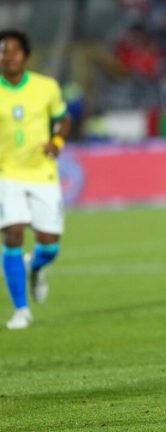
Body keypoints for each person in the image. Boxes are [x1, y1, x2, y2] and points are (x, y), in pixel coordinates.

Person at [0, 30, 71, 330]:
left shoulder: (46, 87)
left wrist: (56, 143)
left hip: (42, 172)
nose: (9, 56)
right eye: (4, 51)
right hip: (6, 173)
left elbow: (64, 119)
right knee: (12, 233)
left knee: (50, 245)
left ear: (26, 56)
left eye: (15, 50)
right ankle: (21, 311)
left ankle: (36, 269)